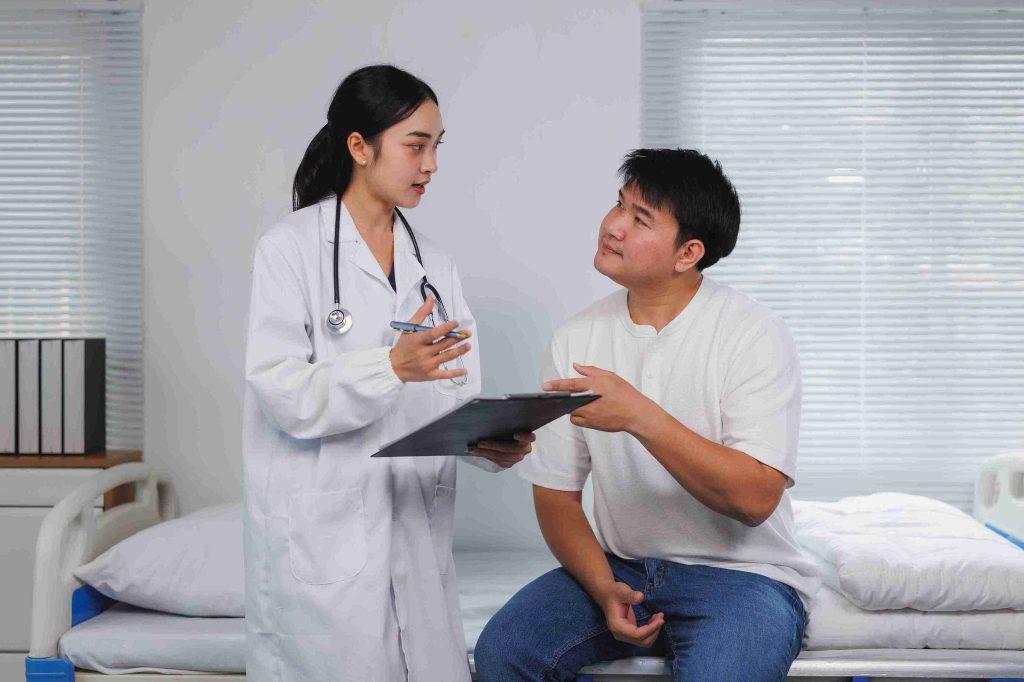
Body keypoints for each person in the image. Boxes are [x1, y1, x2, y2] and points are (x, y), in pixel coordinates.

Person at [474, 149, 821, 681]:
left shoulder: (753, 334)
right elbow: (555, 494)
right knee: (506, 651)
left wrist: (641, 416)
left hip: (746, 576)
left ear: (688, 253)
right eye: (618, 205)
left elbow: (754, 499)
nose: (612, 226)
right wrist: (601, 585)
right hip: (623, 566)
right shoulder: (578, 337)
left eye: (640, 219)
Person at [241, 64, 534, 682]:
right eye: (416, 145)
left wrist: (490, 441)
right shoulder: (290, 250)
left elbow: (457, 392)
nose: (431, 166)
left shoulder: (435, 264)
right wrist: (389, 367)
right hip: (327, 537)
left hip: (416, 532)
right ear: (359, 147)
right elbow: (280, 390)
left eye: (437, 147)